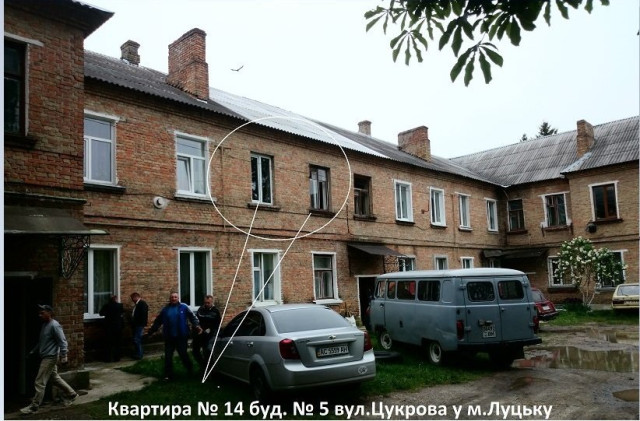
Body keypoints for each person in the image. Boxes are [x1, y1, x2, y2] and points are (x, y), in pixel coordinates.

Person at [21, 305, 78, 414]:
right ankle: (72, 394)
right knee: (54, 378)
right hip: (45, 355)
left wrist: (64, 356)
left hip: (50, 357)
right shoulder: (45, 325)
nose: (40, 315)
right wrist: (33, 351)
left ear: (49, 313)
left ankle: (34, 406)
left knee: (39, 382)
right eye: (39, 313)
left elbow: (62, 341)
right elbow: (42, 341)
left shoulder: (55, 325)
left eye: (42, 313)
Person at [147, 292, 202, 380]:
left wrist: (197, 326)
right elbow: (158, 321)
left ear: (178, 298)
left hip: (181, 336)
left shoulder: (184, 307)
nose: (174, 298)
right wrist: (151, 331)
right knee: (168, 356)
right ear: (170, 299)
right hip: (169, 337)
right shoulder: (165, 309)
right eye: (172, 297)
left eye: (175, 297)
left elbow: (193, 317)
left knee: (183, 355)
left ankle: (190, 369)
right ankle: (168, 375)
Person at [192, 294, 221, 369]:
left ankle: (208, 369)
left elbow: (217, 324)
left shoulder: (215, 311)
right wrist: (197, 328)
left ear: (212, 302)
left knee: (207, 352)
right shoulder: (200, 309)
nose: (207, 304)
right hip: (200, 333)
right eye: (205, 302)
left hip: (209, 334)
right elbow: (196, 320)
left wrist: (210, 329)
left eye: (208, 303)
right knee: (195, 351)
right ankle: (202, 365)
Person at [99, 295, 124, 362]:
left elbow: (101, 313)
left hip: (109, 327)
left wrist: (107, 315)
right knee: (117, 343)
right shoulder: (120, 305)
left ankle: (108, 359)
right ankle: (117, 358)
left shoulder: (106, 306)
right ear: (116, 299)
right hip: (118, 327)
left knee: (108, 343)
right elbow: (122, 314)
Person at [130, 292, 148, 360]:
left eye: (132, 298)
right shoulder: (137, 304)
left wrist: (141, 324)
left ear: (135, 297)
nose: (132, 300)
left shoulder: (142, 304)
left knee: (137, 339)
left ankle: (139, 354)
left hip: (139, 325)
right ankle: (137, 353)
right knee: (136, 339)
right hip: (136, 324)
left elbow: (143, 315)